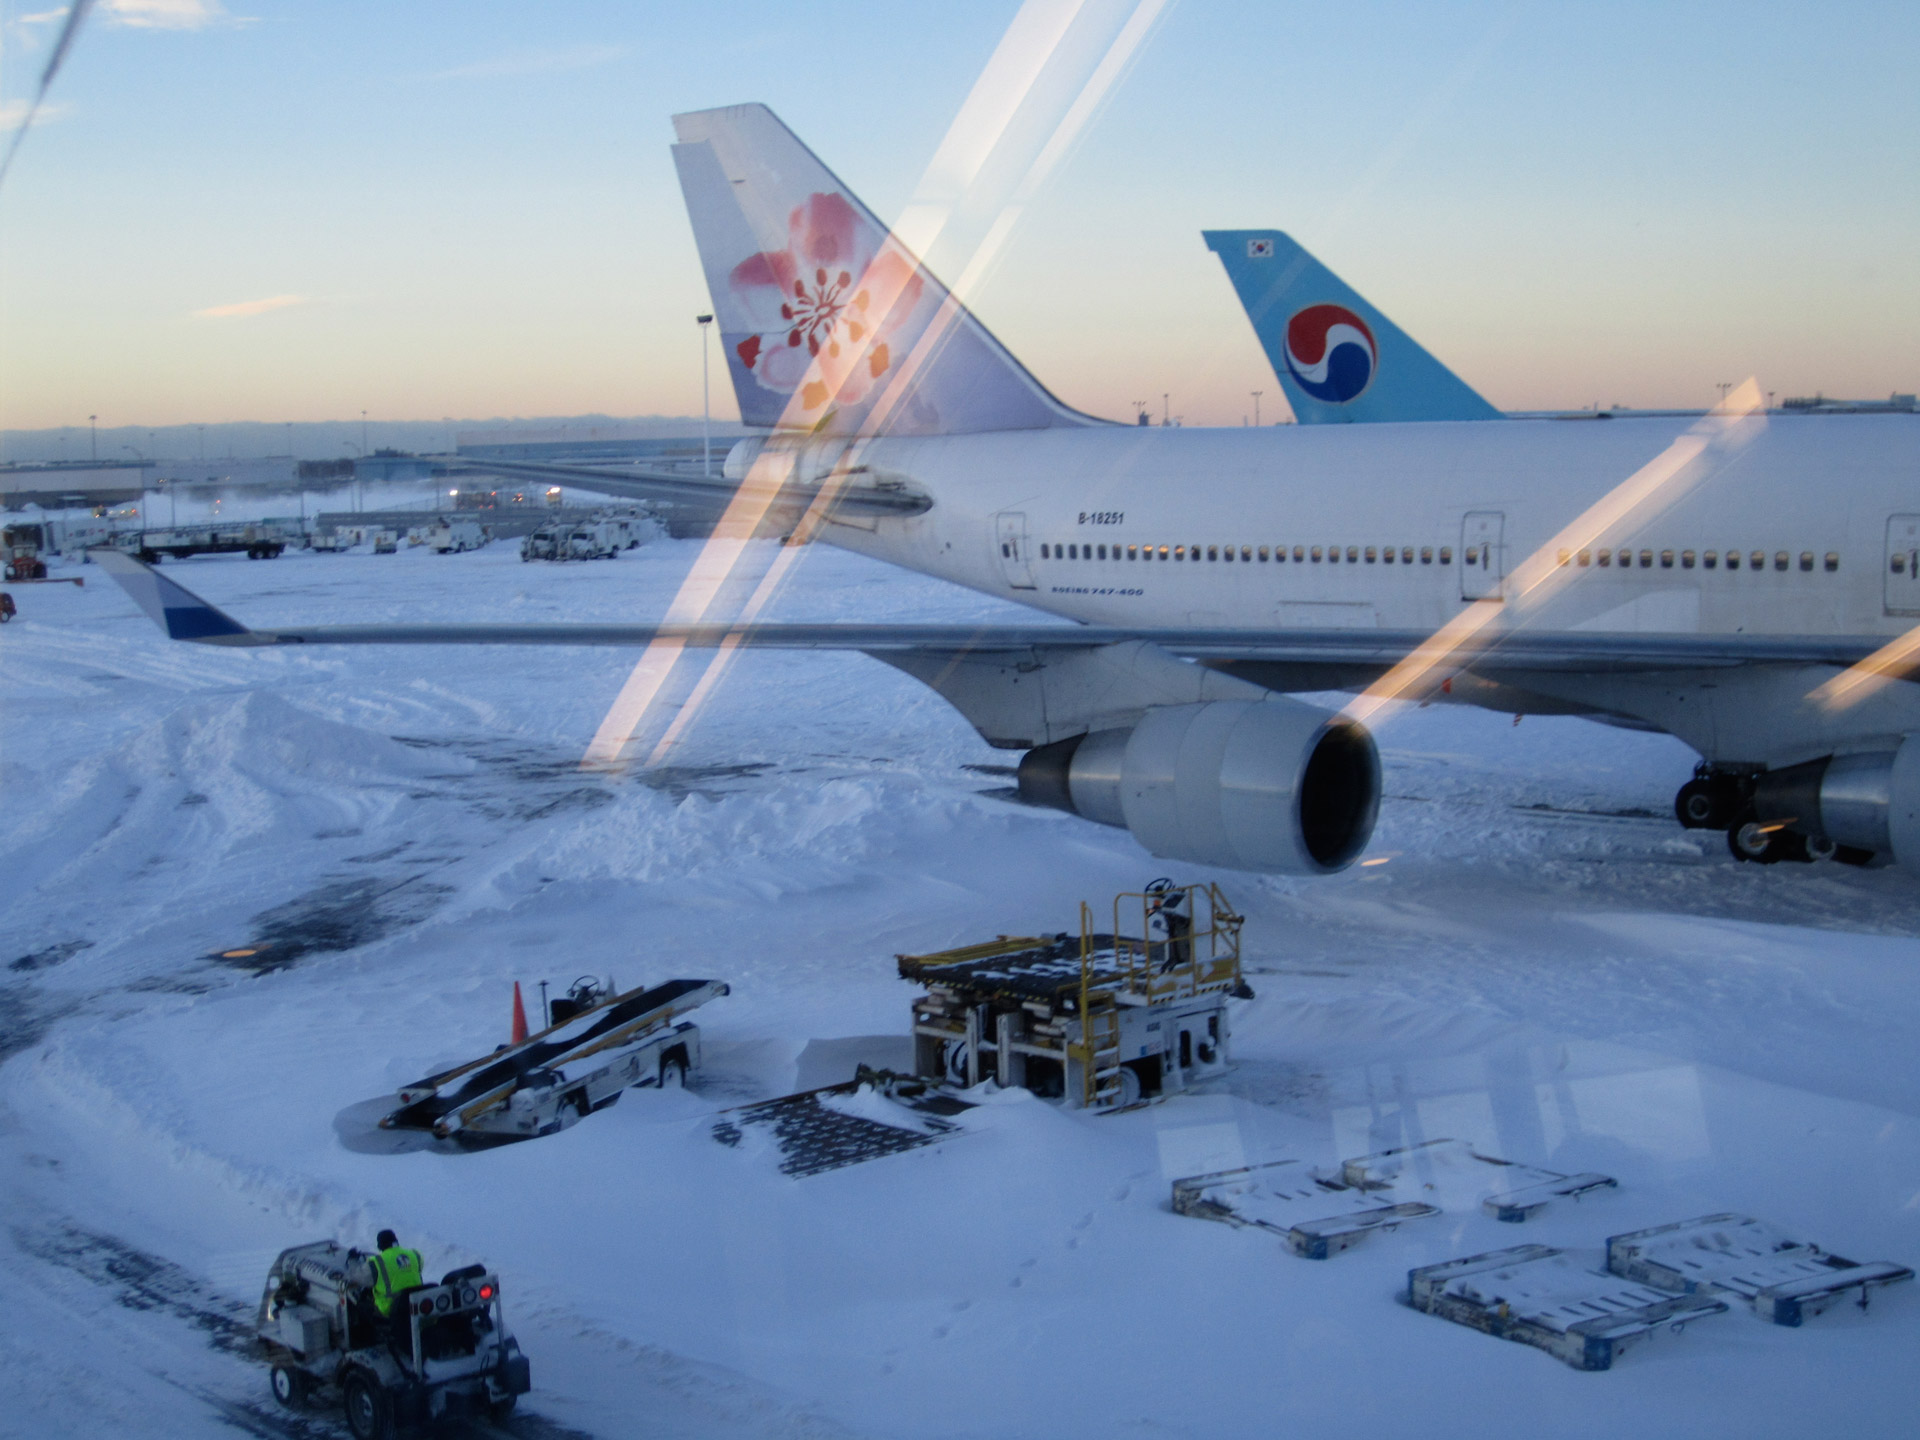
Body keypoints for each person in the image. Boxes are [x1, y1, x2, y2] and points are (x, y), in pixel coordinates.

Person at [369, 1229, 427, 1351]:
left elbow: (359, 1278)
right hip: (418, 1302)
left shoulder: (376, 1262)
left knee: (364, 1307)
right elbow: (419, 1265)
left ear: (380, 1245)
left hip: (392, 1308)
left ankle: (372, 1342)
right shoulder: (414, 1254)